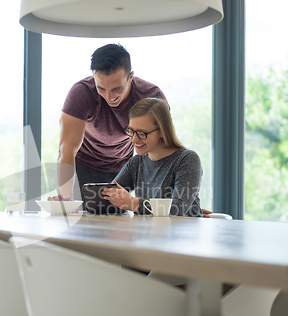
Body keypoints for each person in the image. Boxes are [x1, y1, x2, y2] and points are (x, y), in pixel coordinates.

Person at [58, 44, 167, 200]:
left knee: (121, 220)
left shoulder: (151, 97)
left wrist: (178, 203)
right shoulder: (81, 93)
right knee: (78, 219)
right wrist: (66, 199)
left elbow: (161, 151)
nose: (109, 96)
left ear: (130, 77)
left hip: (123, 166)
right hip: (82, 164)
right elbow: (66, 149)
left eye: (116, 88)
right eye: (101, 88)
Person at [102, 97, 202, 217]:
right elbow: (108, 199)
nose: (134, 139)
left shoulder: (187, 159)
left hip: (182, 234)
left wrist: (134, 203)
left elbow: (178, 208)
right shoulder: (136, 163)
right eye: (131, 131)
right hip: (148, 233)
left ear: (162, 131)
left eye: (142, 133)